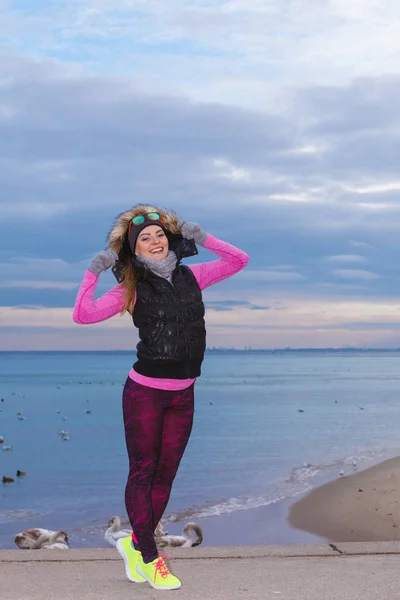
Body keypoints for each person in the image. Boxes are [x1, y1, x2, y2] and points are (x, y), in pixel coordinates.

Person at [72, 204, 249, 590]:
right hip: (145, 394)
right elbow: (83, 315)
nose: (153, 241)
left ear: (170, 239)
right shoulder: (130, 290)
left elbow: (239, 259)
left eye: (159, 235)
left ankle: (136, 544)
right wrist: (93, 272)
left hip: (183, 394)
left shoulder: (193, 276)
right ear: (133, 250)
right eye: (144, 238)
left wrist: (203, 237)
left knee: (166, 474)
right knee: (143, 471)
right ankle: (152, 557)